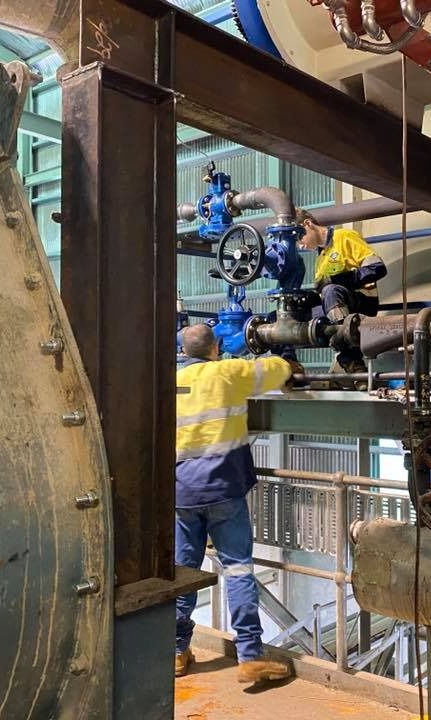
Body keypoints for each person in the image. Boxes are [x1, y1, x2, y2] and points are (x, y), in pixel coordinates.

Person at [174, 324, 293, 683]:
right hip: (224, 490)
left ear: (183, 351)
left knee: (184, 574)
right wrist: (286, 357)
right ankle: (250, 656)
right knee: (238, 569)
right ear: (215, 348)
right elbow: (277, 370)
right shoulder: (228, 372)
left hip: (182, 493)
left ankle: (176, 652)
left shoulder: (170, 382)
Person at [296, 209, 387, 374]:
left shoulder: (344, 237)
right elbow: (323, 295)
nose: (300, 245)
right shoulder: (320, 259)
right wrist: (307, 299)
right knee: (290, 315)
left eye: (299, 238)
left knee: (331, 290)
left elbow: (377, 268)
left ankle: (351, 359)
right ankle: (288, 365)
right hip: (334, 304)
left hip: (362, 302)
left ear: (308, 224)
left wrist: (338, 280)